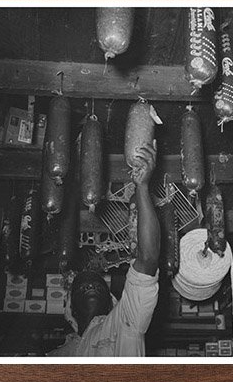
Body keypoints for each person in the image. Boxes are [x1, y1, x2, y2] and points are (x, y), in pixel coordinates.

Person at [49, 143, 160, 357]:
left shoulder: (125, 321)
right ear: (69, 310)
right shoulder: (58, 357)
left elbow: (147, 261)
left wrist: (143, 187)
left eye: (97, 285)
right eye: (82, 286)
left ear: (112, 302)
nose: (90, 284)